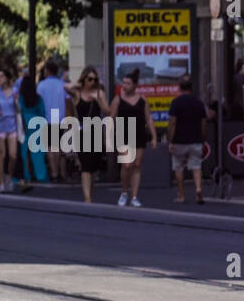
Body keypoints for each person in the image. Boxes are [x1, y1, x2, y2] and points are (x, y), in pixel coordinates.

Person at [109, 69, 156, 208]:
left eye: (128, 83)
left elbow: (148, 118)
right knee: (126, 164)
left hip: (139, 132)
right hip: (123, 133)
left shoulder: (142, 99)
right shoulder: (118, 99)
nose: (124, 85)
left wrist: (153, 136)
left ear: (135, 85)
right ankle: (124, 192)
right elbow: (111, 118)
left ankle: (134, 196)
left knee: (136, 165)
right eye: (123, 83)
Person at [67, 66, 109, 203]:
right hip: (82, 132)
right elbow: (66, 87)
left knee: (93, 167)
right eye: (89, 79)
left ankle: (90, 193)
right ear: (84, 79)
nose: (92, 82)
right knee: (85, 166)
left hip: (96, 131)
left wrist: (98, 100)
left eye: (95, 79)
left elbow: (107, 111)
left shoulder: (99, 93)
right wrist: (78, 84)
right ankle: (87, 199)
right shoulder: (78, 94)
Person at [167, 77, 207, 204]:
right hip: (195, 139)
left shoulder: (176, 102)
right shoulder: (199, 102)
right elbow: (203, 122)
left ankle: (181, 195)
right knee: (196, 166)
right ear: (191, 88)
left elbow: (172, 122)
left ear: (179, 88)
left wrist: (170, 140)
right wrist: (203, 137)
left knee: (178, 167)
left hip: (179, 140)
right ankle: (198, 189)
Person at [37, 61, 69, 182]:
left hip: (47, 116)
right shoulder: (62, 84)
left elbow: (39, 100)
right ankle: (62, 173)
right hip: (60, 116)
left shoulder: (42, 85)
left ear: (47, 71)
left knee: (50, 147)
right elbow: (68, 101)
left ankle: (54, 172)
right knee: (60, 147)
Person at [17, 69, 48, 188]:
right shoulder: (38, 98)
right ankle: (41, 175)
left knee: (23, 152)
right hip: (37, 123)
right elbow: (42, 112)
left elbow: (18, 110)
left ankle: (24, 175)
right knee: (38, 153)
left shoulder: (20, 98)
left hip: (24, 124)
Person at [0, 69, 19, 192]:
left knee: (13, 155)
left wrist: (17, 100)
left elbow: (19, 109)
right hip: (0, 124)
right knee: (2, 155)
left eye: (1, 76)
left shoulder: (14, 91)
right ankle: (1, 182)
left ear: (7, 78)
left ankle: (9, 177)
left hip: (12, 124)